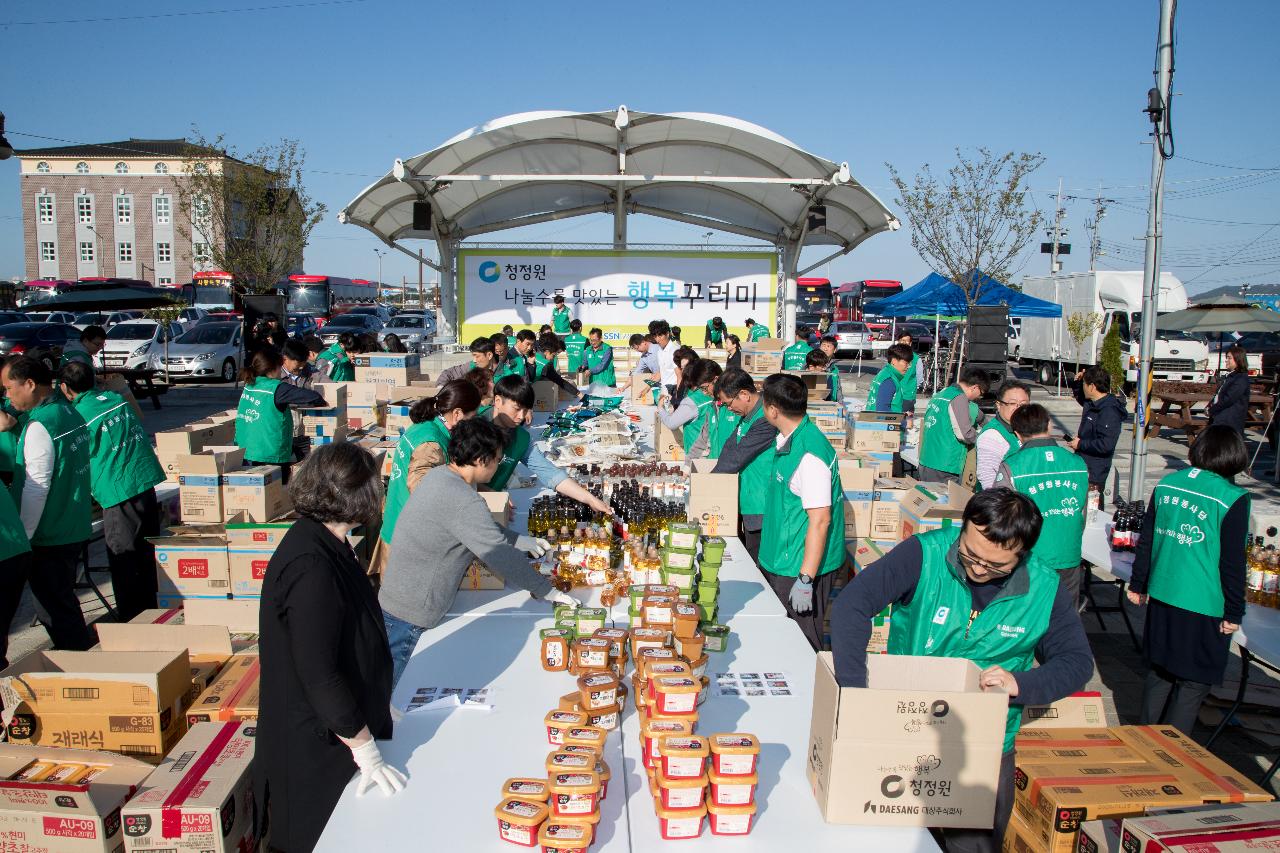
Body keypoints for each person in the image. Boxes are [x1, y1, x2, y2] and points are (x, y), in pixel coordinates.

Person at [831, 488, 1094, 853]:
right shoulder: (926, 554)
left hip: (984, 747)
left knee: (973, 845)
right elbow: (851, 607)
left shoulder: (1044, 588)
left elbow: (1076, 662)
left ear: (1022, 554)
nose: (977, 569)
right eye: (970, 554)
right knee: (888, 839)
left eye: (995, 566)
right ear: (963, 527)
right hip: (905, 729)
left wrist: (1021, 684)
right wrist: (855, 694)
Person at [254, 443, 405, 853]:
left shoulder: (326, 542)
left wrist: (375, 696)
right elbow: (318, 671)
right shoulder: (312, 566)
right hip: (314, 744)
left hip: (334, 726)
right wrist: (363, 746)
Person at [380, 418, 576, 684]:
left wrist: (519, 540)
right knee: (394, 691)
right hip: (411, 613)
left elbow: (473, 528)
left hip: (397, 600)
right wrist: (547, 590)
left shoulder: (441, 476)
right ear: (481, 460)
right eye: (496, 459)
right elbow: (499, 556)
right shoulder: (462, 498)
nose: (498, 467)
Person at [1128, 425, 1250, 737]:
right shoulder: (1232, 497)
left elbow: (1147, 541)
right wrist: (1234, 611)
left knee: (1160, 672)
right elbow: (1232, 562)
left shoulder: (1168, 484)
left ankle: (1142, 740)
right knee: (1193, 683)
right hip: (1204, 602)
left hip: (1164, 592)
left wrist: (1138, 584)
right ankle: (1174, 754)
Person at [0, 356, 96, 654]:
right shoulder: (67, 411)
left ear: (29, 384)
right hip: (72, 522)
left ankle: (80, 667)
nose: (6, 395)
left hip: (48, 532)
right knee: (63, 601)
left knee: (54, 610)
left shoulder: (41, 424)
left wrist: (24, 537)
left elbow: (36, 487)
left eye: (8, 388)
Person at [60, 361, 166, 622]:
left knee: (124, 559)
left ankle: (132, 621)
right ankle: (153, 612)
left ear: (64, 388)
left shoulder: (78, 415)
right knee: (145, 554)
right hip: (144, 481)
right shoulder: (113, 398)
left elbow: (76, 460)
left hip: (118, 489)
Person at [757, 374, 846, 650]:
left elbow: (820, 520)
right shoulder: (791, 440)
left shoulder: (809, 456)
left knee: (802, 642)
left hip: (796, 565)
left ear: (773, 410)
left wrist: (805, 578)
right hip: (782, 555)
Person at [993, 404, 1090, 603]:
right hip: (1068, 552)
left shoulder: (1012, 465)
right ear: (1050, 426)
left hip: (1029, 556)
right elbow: (1083, 512)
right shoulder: (1077, 463)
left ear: (1017, 434)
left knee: (1029, 616)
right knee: (1065, 617)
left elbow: (1000, 515)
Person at [379, 381, 483, 564]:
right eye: (472, 416)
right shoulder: (431, 443)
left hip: (397, 524)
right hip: (408, 540)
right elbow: (423, 489)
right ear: (457, 413)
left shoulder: (427, 426)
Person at [481, 376, 614, 514]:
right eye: (516, 408)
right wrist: (487, 492)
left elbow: (550, 473)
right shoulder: (473, 427)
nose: (521, 416)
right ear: (497, 401)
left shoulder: (521, 438)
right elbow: (458, 475)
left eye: (526, 410)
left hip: (491, 506)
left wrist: (589, 499)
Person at [712, 369, 778, 563]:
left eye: (728, 404)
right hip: (749, 500)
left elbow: (738, 457)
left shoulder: (766, 418)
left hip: (763, 505)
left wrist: (707, 484)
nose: (728, 409)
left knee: (760, 564)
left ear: (744, 395)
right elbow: (730, 447)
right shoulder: (748, 416)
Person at [234, 349, 328, 484]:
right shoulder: (277, 388)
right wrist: (322, 401)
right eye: (279, 367)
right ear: (272, 368)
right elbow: (313, 397)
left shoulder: (250, 384)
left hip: (246, 449)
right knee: (276, 495)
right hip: (269, 453)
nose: (280, 371)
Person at [918, 367, 990, 483]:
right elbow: (965, 434)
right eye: (981, 394)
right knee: (945, 500)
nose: (979, 398)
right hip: (945, 464)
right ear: (975, 387)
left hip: (926, 459)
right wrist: (983, 440)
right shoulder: (959, 398)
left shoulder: (942, 393)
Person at [1068, 365, 1126, 508]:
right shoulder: (1093, 403)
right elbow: (1080, 397)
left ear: (1092, 386)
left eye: (1084, 384)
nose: (1083, 387)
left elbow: (1106, 445)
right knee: (1081, 506)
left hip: (1095, 470)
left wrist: (1080, 444)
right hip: (1083, 464)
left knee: (1092, 509)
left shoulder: (1109, 411)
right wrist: (1077, 382)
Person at [657, 360, 722, 459]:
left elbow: (672, 423)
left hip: (700, 458)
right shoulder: (721, 397)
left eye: (682, 368)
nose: (704, 392)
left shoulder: (694, 401)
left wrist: (660, 408)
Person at [976, 380, 1031, 489]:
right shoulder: (991, 436)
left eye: (1023, 404)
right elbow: (988, 480)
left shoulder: (1026, 429)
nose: (1018, 408)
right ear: (999, 405)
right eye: (1012, 403)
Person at [280, 339, 320, 462]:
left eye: (304, 362)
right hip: (283, 434)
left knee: (307, 468)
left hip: (305, 432)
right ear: (285, 359)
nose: (302, 366)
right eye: (298, 362)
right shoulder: (275, 375)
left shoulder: (309, 370)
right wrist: (308, 399)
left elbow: (325, 381)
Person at [527, 336, 588, 404]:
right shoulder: (545, 364)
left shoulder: (531, 353)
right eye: (553, 355)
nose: (553, 358)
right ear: (547, 352)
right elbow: (560, 381)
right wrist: (580, 394)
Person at [1208, 345, 1250, 436]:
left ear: (1238, 359)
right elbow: (1219, 394)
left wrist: (1212, 410)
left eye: (1229, 358)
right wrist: (1210, 405)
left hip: (1230, 421)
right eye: (1226, 358)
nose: (1226, 360)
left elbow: (1229, 399)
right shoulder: (1231, 376)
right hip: (1221, 418)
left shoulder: (1241, 378)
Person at [866, 343, 914, 414]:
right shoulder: (889, 380)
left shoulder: (885, 373)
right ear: (894, 361)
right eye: (906, 363)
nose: (908, 367)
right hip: (883, 423)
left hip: (875, 420)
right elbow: (883, 410)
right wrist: (903, 420)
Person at [649, 320, 680, 394]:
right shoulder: (660, 351)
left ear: (667, 334)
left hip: (674, 389)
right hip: (665, 390)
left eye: (660, 335)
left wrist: (677, 397)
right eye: (655, 336)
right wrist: (646, 389)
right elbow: (662, 372)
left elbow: (680, 375)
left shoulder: (674, 350)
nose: (657, 339)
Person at [895, 329, 920, 414]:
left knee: (907, 419)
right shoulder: (893, 357)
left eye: (907, 341)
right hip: (894, 393)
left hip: (908, 395)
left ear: (910, 343)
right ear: (898, 342)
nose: (904, 343)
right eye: (902, 340)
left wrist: (912, 389)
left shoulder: (916, 359)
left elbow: (920, 378)